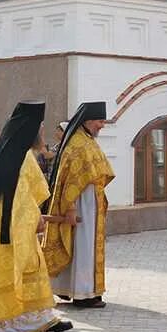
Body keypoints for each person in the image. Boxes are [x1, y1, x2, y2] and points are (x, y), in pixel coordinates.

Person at [0, 101, 73, 332]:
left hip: (8, 225)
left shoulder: (13, 151)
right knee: (15, 272)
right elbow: (18, 197)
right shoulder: (21, 157)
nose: (42, 132)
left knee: (27, 270)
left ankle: (34, 319)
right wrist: (35, 218)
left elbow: (26, 193)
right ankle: (2, 327)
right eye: (39, 127)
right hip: (10, 227)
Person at [44, 100, 115, 307]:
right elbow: (70, 179)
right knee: (83, 247)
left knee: (84, 247)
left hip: (90, 202)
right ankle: (83, 295)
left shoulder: (86, 139)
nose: (102, 125)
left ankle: (76, 289)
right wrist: (71, 208)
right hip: (81, 203)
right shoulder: (77, 142)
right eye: (100, 121)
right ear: (88, 120)